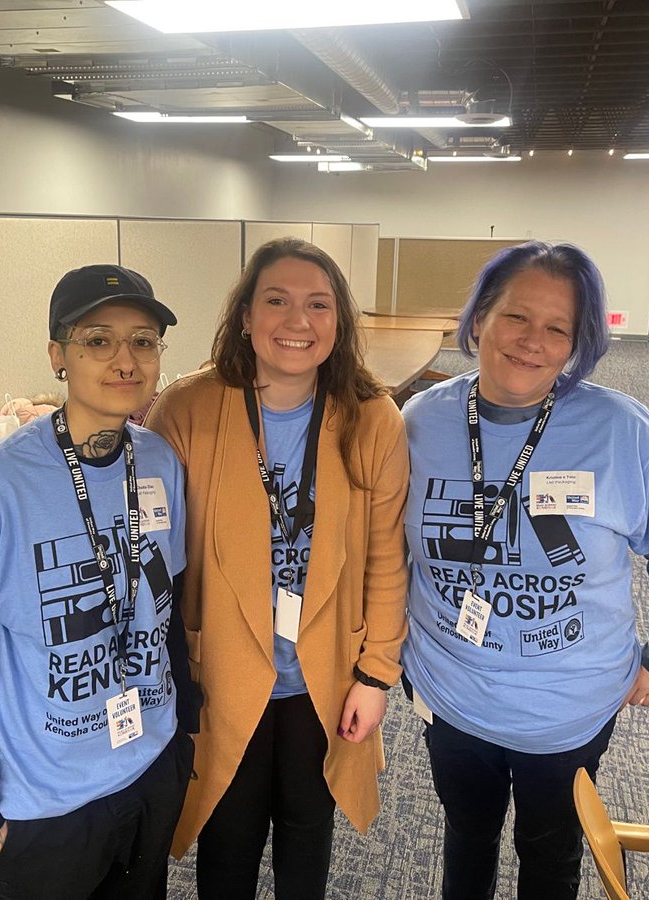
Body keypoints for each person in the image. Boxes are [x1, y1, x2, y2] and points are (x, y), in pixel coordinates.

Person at [400, 241, 649, 900]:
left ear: (577, 344)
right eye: (516, 316)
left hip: (569, 702)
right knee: (468, 836)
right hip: (451, 690)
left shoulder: (621, 429)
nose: (531, 341)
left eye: (557, 328)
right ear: (480, 317)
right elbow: (386, 548)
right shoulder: (419, 421)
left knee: (550, 852)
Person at [0, 264, 198, 899]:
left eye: (144, 341)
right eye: (98, 340)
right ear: (58, 356)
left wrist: (183, 734)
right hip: (43, 806)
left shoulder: (158, 461)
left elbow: (168, 609)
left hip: (149, 766)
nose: (125, 360)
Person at [145, 237, 409, 899]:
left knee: (305, 836)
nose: (298, 321)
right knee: (226, 842)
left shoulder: (373, 419)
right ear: (244, 316)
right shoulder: (187, 409)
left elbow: (385, 560)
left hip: (324, 678)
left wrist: (377, 673)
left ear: (338, 322)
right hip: (223, 673)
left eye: (318, 304)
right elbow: (156, 564)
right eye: (278, 301)